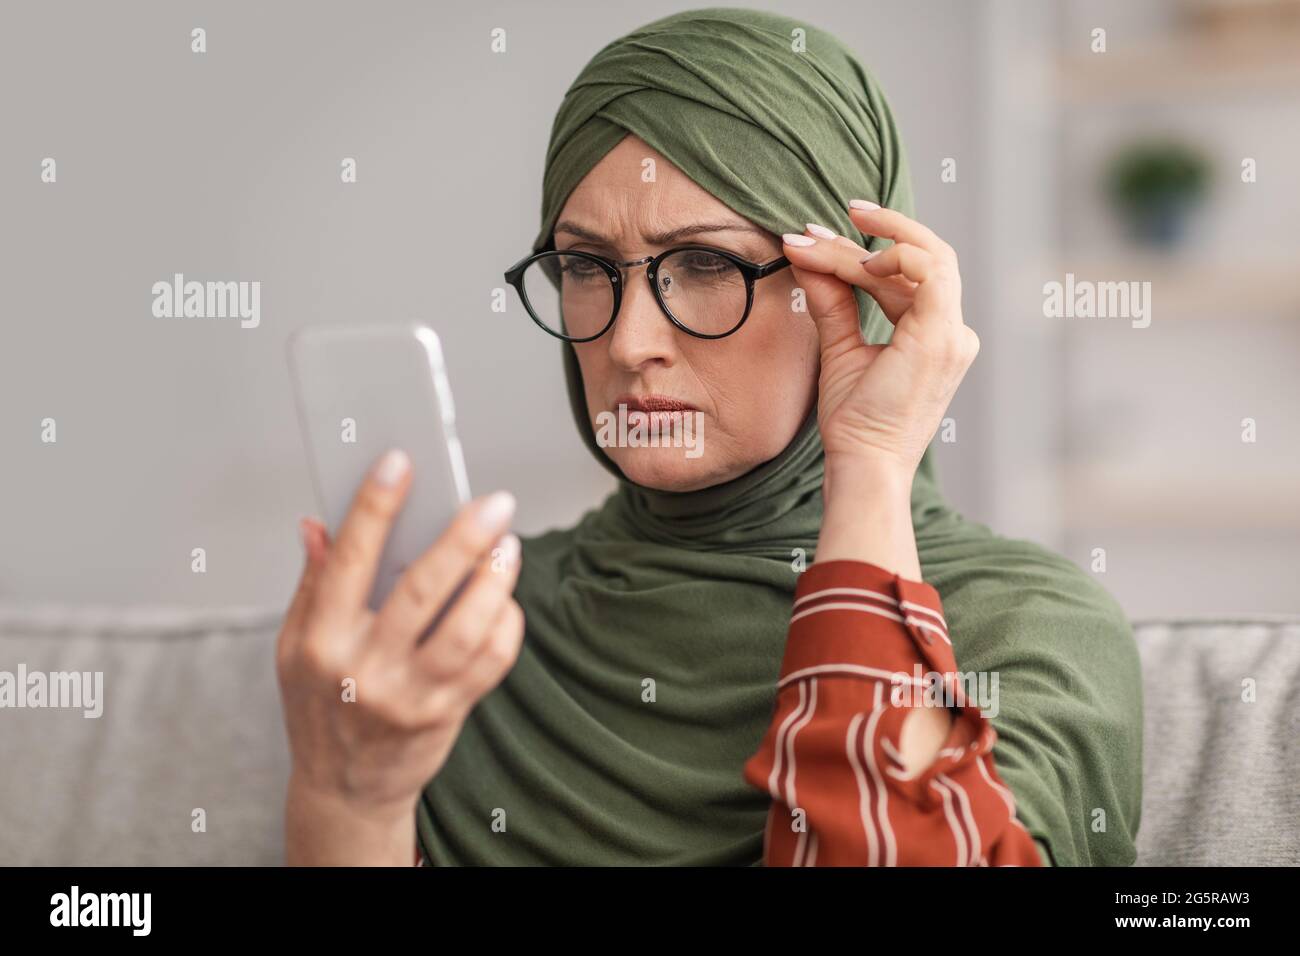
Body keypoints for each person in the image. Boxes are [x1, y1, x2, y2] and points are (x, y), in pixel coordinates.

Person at [276, 7, 1143, 867]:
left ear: (851, 282)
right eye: (585, 268)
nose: (628, 344)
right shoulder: (472, 632)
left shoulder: (1029, 630)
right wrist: (347, 794)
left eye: (706, 265)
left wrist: (871, 468)